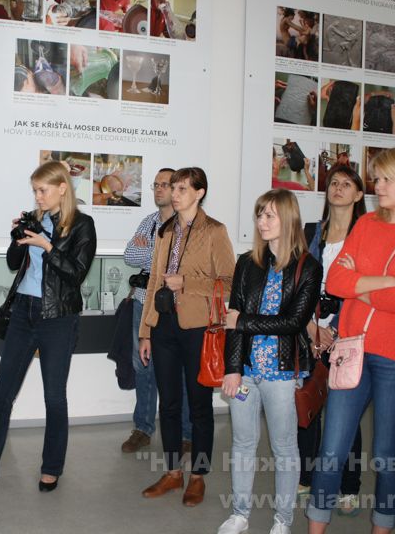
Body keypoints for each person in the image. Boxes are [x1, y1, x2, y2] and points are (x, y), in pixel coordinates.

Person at [306, 146, 395, 533]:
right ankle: (315, 527)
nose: (377, 186)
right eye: (377, 178)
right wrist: (385, 282)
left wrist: (361, 287)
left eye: (386, 179)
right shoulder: (366, 223)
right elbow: (336, 282)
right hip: (351, 347)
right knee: (331, 449)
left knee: (386, 454)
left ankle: (382, 527)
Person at [0, 161, 97, 492]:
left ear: (62, 188)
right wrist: (19, 238)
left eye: (42, 190)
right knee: (2, 394)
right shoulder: (36, 220)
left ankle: (51, 468)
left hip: (58, 317)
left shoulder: (82, 225)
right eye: (35, 191)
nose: (38, 196)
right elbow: (13, 263)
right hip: (23, 312)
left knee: (54, 397)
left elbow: (76, 274)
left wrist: (47, 245)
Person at [218, 189, 321, 534]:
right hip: (245, 373)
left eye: (269, 216)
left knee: (284, 448)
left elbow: (293, 323)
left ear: (288, 219)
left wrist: (243, 321)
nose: (261, 222)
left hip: (281, 373)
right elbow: (232, 321)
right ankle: (240, 514)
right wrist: (232, 369)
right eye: (259, 215)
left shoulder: (308, 267)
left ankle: (283, 521)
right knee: (242, 444)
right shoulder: (247, 263)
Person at [138, 167, 236, 507]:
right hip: (163, 325)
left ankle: (198, 476)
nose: (174, 193)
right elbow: (154, 281)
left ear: (199, 192)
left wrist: (187, 283)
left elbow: (229, 282)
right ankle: (172, 472)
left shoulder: (214, 231)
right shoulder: (165, 231)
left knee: (199, 405)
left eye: (182, 188)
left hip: (198, 328)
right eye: (173, 188)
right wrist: (145, 331)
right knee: (168, 403)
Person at [298, 165, 367, 516]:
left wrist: (335, 331)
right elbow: (299, 283)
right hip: (311, 331)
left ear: (358, 194)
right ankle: (306, 477)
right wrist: (311, 327)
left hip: (348, 333)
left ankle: (349, 485)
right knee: (307, 405)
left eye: (346, 184)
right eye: (334, 183)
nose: (338, 188)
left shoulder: (366, 235)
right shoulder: (313, 232)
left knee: (345, 414)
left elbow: (362, 290)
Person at [121, 167, 192, 455]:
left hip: (178, 305)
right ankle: (143, 428)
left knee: (182, 369)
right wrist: (157, 253)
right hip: (144, 301)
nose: (159, 189)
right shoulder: (148, 222)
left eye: (165, 184)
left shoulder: (187, 223)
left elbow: (181, 263)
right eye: (156, 185)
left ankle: (186, 433)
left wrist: (150, 251)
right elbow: (129, 255)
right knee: (143, 366)